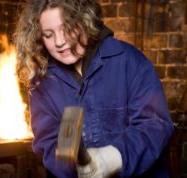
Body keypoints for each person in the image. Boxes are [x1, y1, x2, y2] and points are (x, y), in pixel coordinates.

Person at [14, 0, 174, 177]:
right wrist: (74, 167)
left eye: (67, 28)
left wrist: (112, 158)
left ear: (85, 20)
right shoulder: (41, 83)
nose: (59, 41)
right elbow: (48, 142)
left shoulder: (130, 62)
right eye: (48, 35)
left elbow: (154, 125)